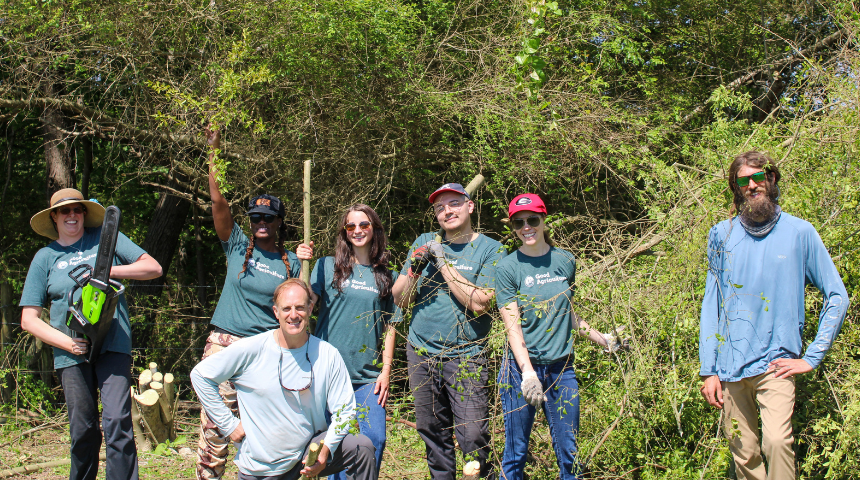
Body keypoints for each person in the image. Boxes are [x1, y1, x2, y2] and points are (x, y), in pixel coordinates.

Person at [699, 151, 849, 480]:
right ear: (736, 187)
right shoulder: (720, 236)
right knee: (745, 453)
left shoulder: (800, 232)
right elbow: (713, 302)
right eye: (744, 180)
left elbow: (838, 296)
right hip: (729, 368)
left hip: (776, 365)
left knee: (778, 442)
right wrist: (708, 369)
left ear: (772, 179)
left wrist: (811, 357)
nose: (752, 185)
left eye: (759, 177)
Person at [20, 188, 163, 480]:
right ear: (54, 217)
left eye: (77, 210)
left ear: (84, 214)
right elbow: (29, 319)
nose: (71, 216)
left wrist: (108, 270)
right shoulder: (45, 258)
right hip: (71, 352)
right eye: (64, 211)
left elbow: (153, 267)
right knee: (82, 429)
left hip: (113, 344)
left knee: (117, 422)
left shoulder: (104, 240)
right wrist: (67, 343)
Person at [197, 127, 313, 480]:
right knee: (216, 433)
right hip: (223, 346)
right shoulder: (235, 245)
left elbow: (301, 306)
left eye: (269, 218)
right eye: (256, 218)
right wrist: (213, 151)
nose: (261, 223)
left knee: (261, 431)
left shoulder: (291, 262)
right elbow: (218, 202)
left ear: (280, 222)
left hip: (263, 352)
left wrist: (306, 262)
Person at [494, 193, 626, 480]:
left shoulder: (565, 260)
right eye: (519, 223)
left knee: (570, 451)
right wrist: (528, 373)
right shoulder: (507, 267)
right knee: (515, 451)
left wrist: (604, 339)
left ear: (544, 220)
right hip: (520, 370)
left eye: (532, 220)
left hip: (561, 368)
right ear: (513, 226)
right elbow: (512, 324)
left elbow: (568, 313)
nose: (526, 227)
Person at [190, 279, 378, 480]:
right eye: (286, 308)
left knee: (361, 448)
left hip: (307, 453)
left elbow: (345, 410)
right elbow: (200, 375)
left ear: (310, 308)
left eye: (300, 307)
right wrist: (228, 424)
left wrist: (327, 450)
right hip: (262, 467)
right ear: (276, 312)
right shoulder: (252, 349)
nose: (293, 315)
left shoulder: (327, 354)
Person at [392, 183, 506, 479]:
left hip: (466, 356)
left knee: (473, 436)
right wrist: (415, 268)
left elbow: (480, 302)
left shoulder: (492, 249)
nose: (447, 211)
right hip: (421, 353)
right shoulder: (423, 241)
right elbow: (401, 299)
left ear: (470, 206)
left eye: (454, 203)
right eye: (440, 208)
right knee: (432, 432)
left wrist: (441, 260)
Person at [308, 204, 398, 479]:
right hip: (327, 374)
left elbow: (391, 324)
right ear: (344, 232)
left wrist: (386, 371)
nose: (357, 230)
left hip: (367, 377)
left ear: (374, 229)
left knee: (375, 439)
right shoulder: (325, 266)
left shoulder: (385, 275)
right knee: (332, 444)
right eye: (351, 226)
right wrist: (302, 265)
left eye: (364, 225)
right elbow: (304, 306)